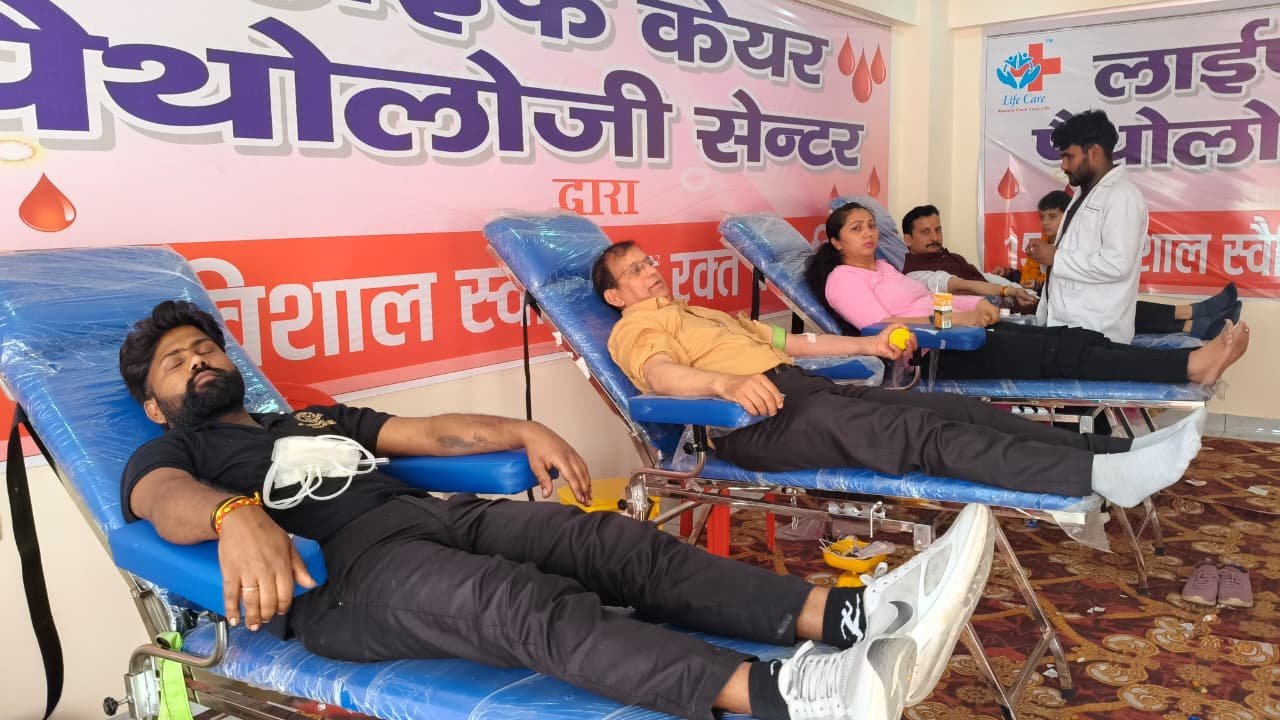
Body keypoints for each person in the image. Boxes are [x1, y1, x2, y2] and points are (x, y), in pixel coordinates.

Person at [118, 300, 998, 720]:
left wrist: (523, 428)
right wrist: (234, 515)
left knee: (612, 544)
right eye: (176, 364)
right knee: (516, 605)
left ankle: (845, 614)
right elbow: (159, 503)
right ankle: (783, 696)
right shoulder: (174, 454)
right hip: (344, 580)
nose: (198, 363)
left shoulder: (306, 418)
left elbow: (430, 432)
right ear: (157, 406)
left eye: (204, 349)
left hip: (432, 517)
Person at [596, 240, 1211, 511]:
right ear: (615, 296)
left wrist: (868, 343)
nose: (651, 272)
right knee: (915, 438)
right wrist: (722, 385)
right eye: (635, 271)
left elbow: (796, 342)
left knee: (955, 411)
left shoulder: (698, 312)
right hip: (748, 422)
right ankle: (1096, 476)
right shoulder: (635, 328)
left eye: (649, 262)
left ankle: (1115, 451)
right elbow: (661, 375)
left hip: (800, 390)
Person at [807, 202, 1251, 385]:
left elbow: (924, 301)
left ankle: (1191, 358)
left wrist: (976, 306)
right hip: (938, 354)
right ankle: (1189, 366)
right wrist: (959, 318)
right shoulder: (843, 279)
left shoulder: (883, 267)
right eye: (856, 228)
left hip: (967, 332)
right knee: (1066, 355)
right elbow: (879, 328)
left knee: (1074, 337)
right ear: (836, 241)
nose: (868, 233)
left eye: (871, 225)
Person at [1032, 190, 1240, 339]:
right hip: (1060, 319)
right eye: (1042, 217)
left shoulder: (1071, 245)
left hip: (1078, 310)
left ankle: (1194, 319)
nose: (1046, 222)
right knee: (1120, 309)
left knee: (1122, 305)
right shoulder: (1044, 249)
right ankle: (1193, 316)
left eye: (1053, 216)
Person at [898, 204, 1038, 311]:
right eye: (925, 232)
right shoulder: (913, 275)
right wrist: (1008, 291)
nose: (935, 237)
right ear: (908, 239)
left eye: (938, 230)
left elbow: (984, 277)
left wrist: (1027, 293)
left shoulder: (952, 257)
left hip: (1014, 308)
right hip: (981, 322)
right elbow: (963, 285)